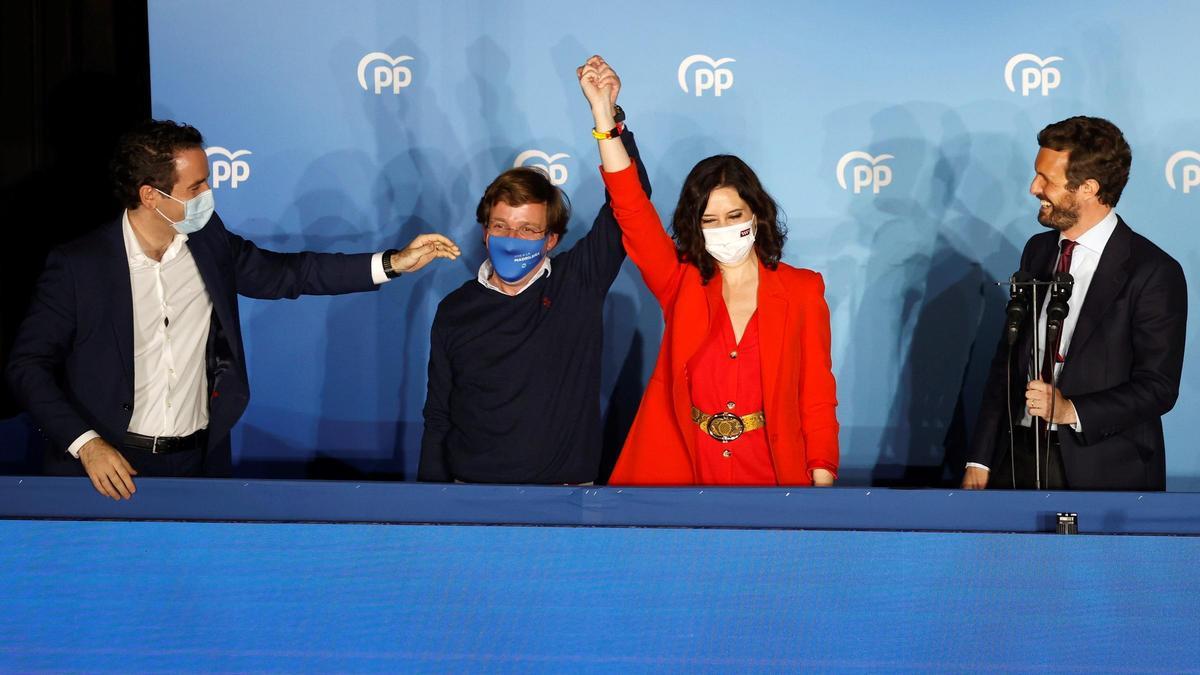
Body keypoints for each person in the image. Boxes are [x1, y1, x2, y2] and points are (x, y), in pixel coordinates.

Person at [6, 119, 460, 499]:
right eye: (197, 184)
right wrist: (86, 446)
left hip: (196, 464)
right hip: (107, 468)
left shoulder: (208, 240)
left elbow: (290, 274)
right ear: (150, 196)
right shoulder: (78, 265)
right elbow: (27, 365)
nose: (210, 191)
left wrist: (394, 262)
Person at [578, 56, 839, 486]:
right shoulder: (678, 280)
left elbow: (816, 393)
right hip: (684, 465)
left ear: (757, 214)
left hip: (772, 471)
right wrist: (604, 117)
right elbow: (631, 208)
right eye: (710, 220)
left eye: (735, 215)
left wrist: (822, 479)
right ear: (694, 226)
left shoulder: (803, 289)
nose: (725, 229)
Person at [417, 80, 650, 484]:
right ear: (485, 232)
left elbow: (632, 198)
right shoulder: (456, 308)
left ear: (551, 240)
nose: (512, 239)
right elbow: (438, 416)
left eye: (528, 230)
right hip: (469, 498)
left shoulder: (578, 283)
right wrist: (429, 511)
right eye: (501, 226)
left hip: (566, 501)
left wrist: (607, 115)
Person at [964, 116, 1187, 491]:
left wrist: (1069, 410)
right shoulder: (1037, 251)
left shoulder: (1152, 271)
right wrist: (980, 459)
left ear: (1088, 188)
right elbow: (1008, 360)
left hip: (1104, 472)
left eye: (1046, 179)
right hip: (1016, 462)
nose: (1033, 188)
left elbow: (1157, 387)